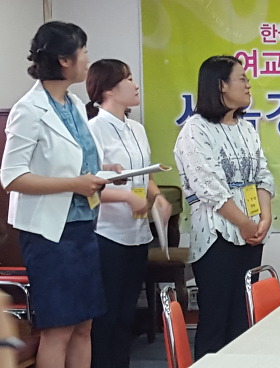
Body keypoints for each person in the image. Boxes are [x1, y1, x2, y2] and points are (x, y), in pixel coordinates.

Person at [0, 21, 110, 368]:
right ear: (64, 60)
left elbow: (73, 161)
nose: (88, 59)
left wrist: (103, 171)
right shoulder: (29, 109)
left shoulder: (74, 103)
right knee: (58, 329)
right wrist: (73, 184)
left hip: (83, 228)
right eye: (83, 52)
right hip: (50, 234)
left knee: (84, 325)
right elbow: (12, 176)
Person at [173, 55, 274, 359]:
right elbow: (209, 187)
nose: (248, 84)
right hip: (216, 237)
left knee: (243, 319)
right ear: (221, 85)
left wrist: (264, 218)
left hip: (252, 233)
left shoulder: (246, 128)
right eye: (242, 78)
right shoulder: (195, 130)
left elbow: (263, 175)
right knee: (216, 319)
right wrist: (244, 223)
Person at [85, 59, 171, 368]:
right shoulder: (92, 130)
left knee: (126, 316)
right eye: (128, 79)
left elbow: (145, 175)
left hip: (137, 234)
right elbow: (89, 185)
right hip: (107, 234)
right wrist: (124, 197)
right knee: (106, 317)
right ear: (108, 90)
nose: (136, 85)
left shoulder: (136, 128)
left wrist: (157, 197)